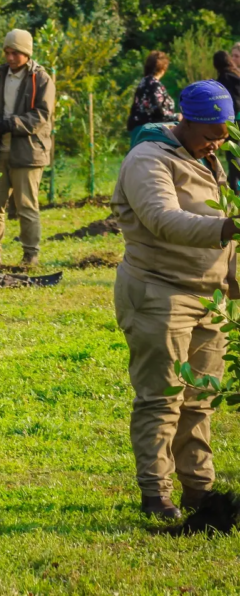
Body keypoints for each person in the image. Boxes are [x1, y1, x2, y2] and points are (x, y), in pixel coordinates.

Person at [112, 81, 239, 520]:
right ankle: (155, 494)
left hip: (210, 297)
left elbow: (227, 234)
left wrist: (232, 282)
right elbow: (163, 219)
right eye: (211, 135)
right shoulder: (147, 159)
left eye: (224, 135)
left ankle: (199, 489)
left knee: (200, 396)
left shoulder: (208, 155)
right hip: (159, 293)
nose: (217, 143)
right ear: (185, 122)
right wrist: (229, 228)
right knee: (161, 397)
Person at [0, 29, 55, 268]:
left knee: (26, 207)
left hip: (28, 153)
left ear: (26, 53)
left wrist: (11, 123)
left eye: (15, 53)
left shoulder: (42, 79)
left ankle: (30, 255)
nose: (10, 58)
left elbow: (42, 115)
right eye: (7, 52)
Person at [126, 51, 176, 136]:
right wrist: (176, 117)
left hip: (138, 128)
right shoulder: (154, 85)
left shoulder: (144, 82)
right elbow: (158, 111)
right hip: (151, 130)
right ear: (163, 68)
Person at [213, 50, 240, 192]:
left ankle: (236, 190)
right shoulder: (236, 74)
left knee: (233, 156)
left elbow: (232, 103)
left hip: (234, 122)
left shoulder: (225, 78)